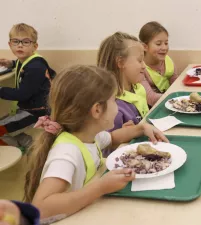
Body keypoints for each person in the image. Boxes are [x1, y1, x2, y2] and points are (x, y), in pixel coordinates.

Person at [24, 65, 168, 220]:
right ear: (97, 110)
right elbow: (41, 208)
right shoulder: (66, 153)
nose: (117, 107)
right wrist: (100, 187)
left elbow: (113, 138)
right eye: (114, 100)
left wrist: (142, 129)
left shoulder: (89, 136)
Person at [0, 23, 55, 148]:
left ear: (34, 46)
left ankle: (22, 149)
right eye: (16, 41)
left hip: (35, 113)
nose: (20, 45)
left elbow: (22, 94)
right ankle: (28, 145)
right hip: (30, 109)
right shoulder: (28, 60)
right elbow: (23, 66)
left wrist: (1, 90)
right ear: (10, 45)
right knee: (6, 127)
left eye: (25, 42)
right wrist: (12, 64)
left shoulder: (35, 67)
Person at [139, 21, 178, 106]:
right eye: (158, 44)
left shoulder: (168, 61)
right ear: (145, 46)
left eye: (166, 43)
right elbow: (150, 98)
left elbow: (176, 86)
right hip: (151, 109)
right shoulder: (140, 68)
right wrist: (175, 99)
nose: (164, 47)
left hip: (170, 104)